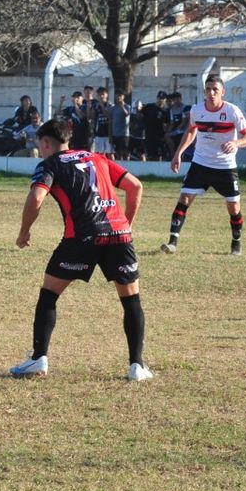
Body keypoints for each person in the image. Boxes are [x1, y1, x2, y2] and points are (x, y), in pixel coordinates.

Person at [11, 117, 150, 382]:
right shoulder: (97, 158)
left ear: (45, 143)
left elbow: (37, 196)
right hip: (119, 236)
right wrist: (127, 225)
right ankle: (137, 366)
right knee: (131, 298)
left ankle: (38, 358)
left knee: (49, 293)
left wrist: (24, 231)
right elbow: (136, 186)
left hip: (82, 237)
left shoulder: (49, 164)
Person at [162, 74, 246, 257]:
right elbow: (191, 131)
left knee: (234, 207)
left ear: (223, 92)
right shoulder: (196, 110)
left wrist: (236, 143)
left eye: (215, 90)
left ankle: (236, 242)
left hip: (225, 166)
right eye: (208, 89)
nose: (211, 93)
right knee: (184, 198)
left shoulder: (232, 111)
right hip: (200, 163)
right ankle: (172, 242)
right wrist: (178, 153)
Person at [141, 94, 166, 162]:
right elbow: (141, 115)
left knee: (159, 153)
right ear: (157, 98)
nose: (161, 100)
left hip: (159, 134)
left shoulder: (164, 111)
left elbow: (166, 123)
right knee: (149, 152)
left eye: (163, 98)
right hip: (148, 133)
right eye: (159, 98)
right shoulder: (149, 106)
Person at [108, 93, 130, 161]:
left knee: (125, 152)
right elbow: (111, 121)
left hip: (124, 134)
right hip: (115, 134)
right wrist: (110, 135)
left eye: (120, 96)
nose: (118, 98)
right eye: (117, 96)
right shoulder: (113, 108)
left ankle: (128, 166)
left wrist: (122, 106)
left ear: (123, 96)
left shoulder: (127, 106)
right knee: (118, 152)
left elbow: (126, 114)